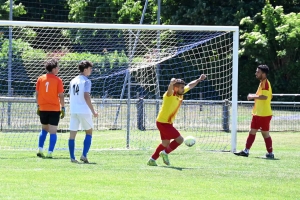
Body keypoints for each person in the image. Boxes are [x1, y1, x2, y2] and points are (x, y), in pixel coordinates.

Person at [147, 75, 206, 166]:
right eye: (182, 87)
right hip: (163, 123)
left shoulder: (180, 93)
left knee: (165, 143)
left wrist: (199, 79)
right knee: (180, 139)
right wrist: (171, 83)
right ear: (176, 88)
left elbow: (190, 85)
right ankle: (165, 153)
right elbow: (170, 90)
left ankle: (152, 160)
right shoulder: (169, 95)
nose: (184, 89)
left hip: (166, 123)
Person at [234, 65, 274, 158]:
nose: (256, 73)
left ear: (263, 74)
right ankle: (246, 151)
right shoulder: (262, 83)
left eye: (258, 72)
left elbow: (265, 97)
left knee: (265, 134)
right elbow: (267, 96)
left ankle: (270, 153)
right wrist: (254, 96)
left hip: (264, 114)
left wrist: (252, 96)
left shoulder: (265, 83)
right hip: (257, 113)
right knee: (252, 131)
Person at [68, 60, 98, 163]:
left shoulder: (72, 80)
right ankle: (84, 155)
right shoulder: (86, 81)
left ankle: (72, 157)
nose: (91, 71)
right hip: (83, 110)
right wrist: (93, 111)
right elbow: (86, 96)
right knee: (89, 132)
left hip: (73, 110)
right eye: (90, 69)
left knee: (72, 134)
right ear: (85, 70)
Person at [36, 59, 65, 158]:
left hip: (43, 108)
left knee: (44, 129)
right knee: (53, 131)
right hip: (54, 109)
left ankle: (40, 149)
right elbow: (61, 95)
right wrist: (63, 107)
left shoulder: (40, 78)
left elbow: (37, 94)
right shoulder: (58, 80)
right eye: (57, 67)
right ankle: (50, 152)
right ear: (53, 69)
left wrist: (38, 105)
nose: (58, 69)